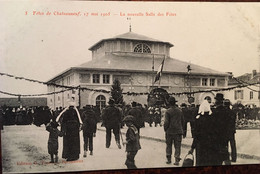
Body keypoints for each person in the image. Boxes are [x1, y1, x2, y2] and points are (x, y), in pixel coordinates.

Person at [188, 99, 215, 166]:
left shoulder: (199, 120)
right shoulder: (212, 119)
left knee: (200, 163)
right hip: (210, 145)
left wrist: (192, 147)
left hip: (200, 145)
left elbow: (196, 135)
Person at [164, 96, 184, 165]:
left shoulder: (168, 111)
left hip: (170, 131)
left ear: (169, 103)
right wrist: (182, 130)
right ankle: (177, 160)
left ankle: (169, 159)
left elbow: (166, 122)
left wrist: (165, 129)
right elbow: (183, 121)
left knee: (169, 145)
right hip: (178, 131)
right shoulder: (180, 110)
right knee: (177, 146)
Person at [212, 93, 230, 165]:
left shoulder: (214, 112)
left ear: (216, 101)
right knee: (225, 154)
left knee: (217, 157)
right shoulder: (226, 112)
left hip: (216, 137)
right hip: (225, 136)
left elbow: (212, 125)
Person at [223, 99, 237, 163]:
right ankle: (234, 158)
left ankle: (226, 158)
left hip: (225, 131)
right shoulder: (233, 112)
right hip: (231, 130)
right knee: (233, 145)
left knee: (225, 145)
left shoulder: (223, 112)